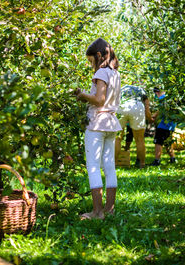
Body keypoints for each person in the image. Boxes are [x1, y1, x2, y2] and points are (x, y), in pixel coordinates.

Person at [74, 38, 122, 220]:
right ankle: (109, 209)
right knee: (109, 166)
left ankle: (97, 212)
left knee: (93, 166)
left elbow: (99, 100)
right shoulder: (115, 74)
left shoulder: (101, 73)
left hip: (97, 123)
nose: (90, 64)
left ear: (99, 55)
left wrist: (82, 95)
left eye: (91, 60)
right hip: (110, 123)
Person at [115, 85, 153, 168]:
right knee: (139, 139)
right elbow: (147, 108)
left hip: (122, 105)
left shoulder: (123, 88)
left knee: (117, 138)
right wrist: (150, 118)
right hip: (137, 106)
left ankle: (115, 163)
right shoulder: (141, 90)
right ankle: (142, 164)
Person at [150, 87, 176, 166]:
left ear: (157, 92)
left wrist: (153, 116)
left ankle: (157, 160)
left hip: (164, 125)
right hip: (171, 125)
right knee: (167, 142)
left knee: (158, 142)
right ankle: (173, 158)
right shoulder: (169, 98)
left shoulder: (162, 98)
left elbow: (161, 109)